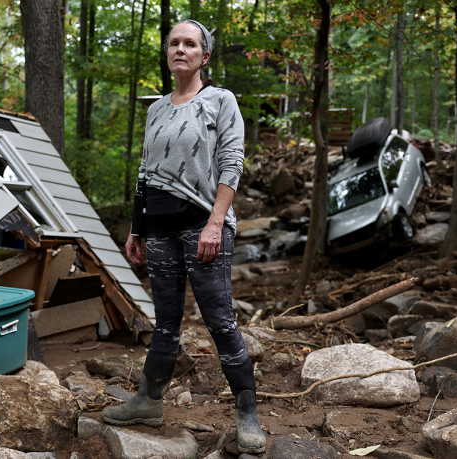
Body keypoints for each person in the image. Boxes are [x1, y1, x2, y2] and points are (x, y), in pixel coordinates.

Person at [101, 19, 266, 455]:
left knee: (218, 318)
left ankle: (248, 413)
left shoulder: (220, 100)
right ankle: (148, 401)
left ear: (204, 56)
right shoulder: (157, 108)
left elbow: (232, 162)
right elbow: (144, 172)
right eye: (174, 42)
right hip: (159, 227)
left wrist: (216, 222)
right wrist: (137, 227)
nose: (180, 49)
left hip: (201, 225)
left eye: (190, 43)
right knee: (167, 319)